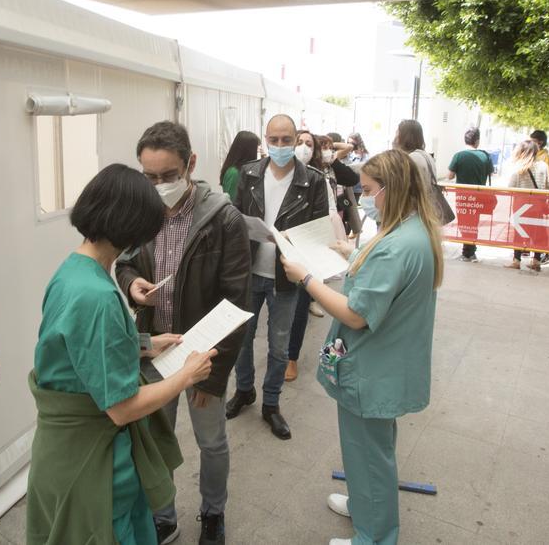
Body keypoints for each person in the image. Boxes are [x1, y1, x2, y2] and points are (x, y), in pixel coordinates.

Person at [28, 164, 216, 544]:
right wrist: (186, 375)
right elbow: (122, 407)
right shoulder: (97, 296)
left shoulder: (74, 271)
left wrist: (143, 345)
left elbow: (78, 351)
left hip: (63, 451)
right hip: (93, 461)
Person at [280, 149, 442, 545]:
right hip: (385, 365)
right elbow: (385, 280)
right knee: (372, 450)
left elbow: (356, 314)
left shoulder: (397, 244)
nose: (364, 198)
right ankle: (365, 506)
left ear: (392, 189)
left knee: (370, 454)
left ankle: (373, 536)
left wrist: (307, 280)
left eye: (368, 190)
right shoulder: (412, 230)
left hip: (373, 369)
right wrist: (352, 254)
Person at [116, 122, 251, 545]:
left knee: (211, 442)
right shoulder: (141, 212)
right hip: (155, 350)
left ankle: (213, 513)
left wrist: (212, 374)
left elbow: (236, 302)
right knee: (157, 441)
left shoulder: (223, 219)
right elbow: (125, 262)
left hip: (201, 355)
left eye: (168, 176)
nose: (158, 186)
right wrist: (132, 285)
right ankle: (163, 516)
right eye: (149, 177)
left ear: (191, 164)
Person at [227, 114, 329, 440]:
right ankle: (244, 390)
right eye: (275, 140)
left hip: (285, 276)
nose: (281, 146)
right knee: (242, 339)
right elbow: (233, 219)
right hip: (249, 271)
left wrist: (291, 245)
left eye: (287, 140)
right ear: (265, 139)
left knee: (279, 345)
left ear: (297, 138)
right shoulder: (249, 174)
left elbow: (319, 234)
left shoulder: (312, 181)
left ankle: (271, 403)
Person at [285, 132, 355, 383]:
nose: (302, 148)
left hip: (306, 252)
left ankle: (291, 358)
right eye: (298, 142)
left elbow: (326, 216)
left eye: (308, 144)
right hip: (278, 253)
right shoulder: (272, 176)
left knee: (300, 307)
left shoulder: (318, 179)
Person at [446, 127, 494, 262]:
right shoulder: (485, 156)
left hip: (462, 197)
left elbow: (450, 176)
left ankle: (467, 252)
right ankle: (470, 251)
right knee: (474, 223)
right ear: (477, 141)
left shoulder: (459, 155)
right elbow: (491, 173)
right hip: (478, 197)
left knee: (464, 223)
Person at [505, 140, 549, 271]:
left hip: (521, 207)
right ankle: (536, 261)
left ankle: (516, 260)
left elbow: (510, 187)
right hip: (538, 206)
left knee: (519, 233)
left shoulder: (519, 167)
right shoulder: (543, 166)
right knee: (538, 232)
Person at [393, 119, 444, 217]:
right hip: (426, 209)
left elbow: (404, 189)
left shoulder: (412, 158)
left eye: (397, 132)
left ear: (405, 136)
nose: (395, 136)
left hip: (414, 212)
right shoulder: (425, 155)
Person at [219, 131, 260, 202]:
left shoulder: (245, 171)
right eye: (256, 148)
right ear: (249, 151)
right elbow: (232, 203)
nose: (258, 151)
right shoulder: (234, 173)